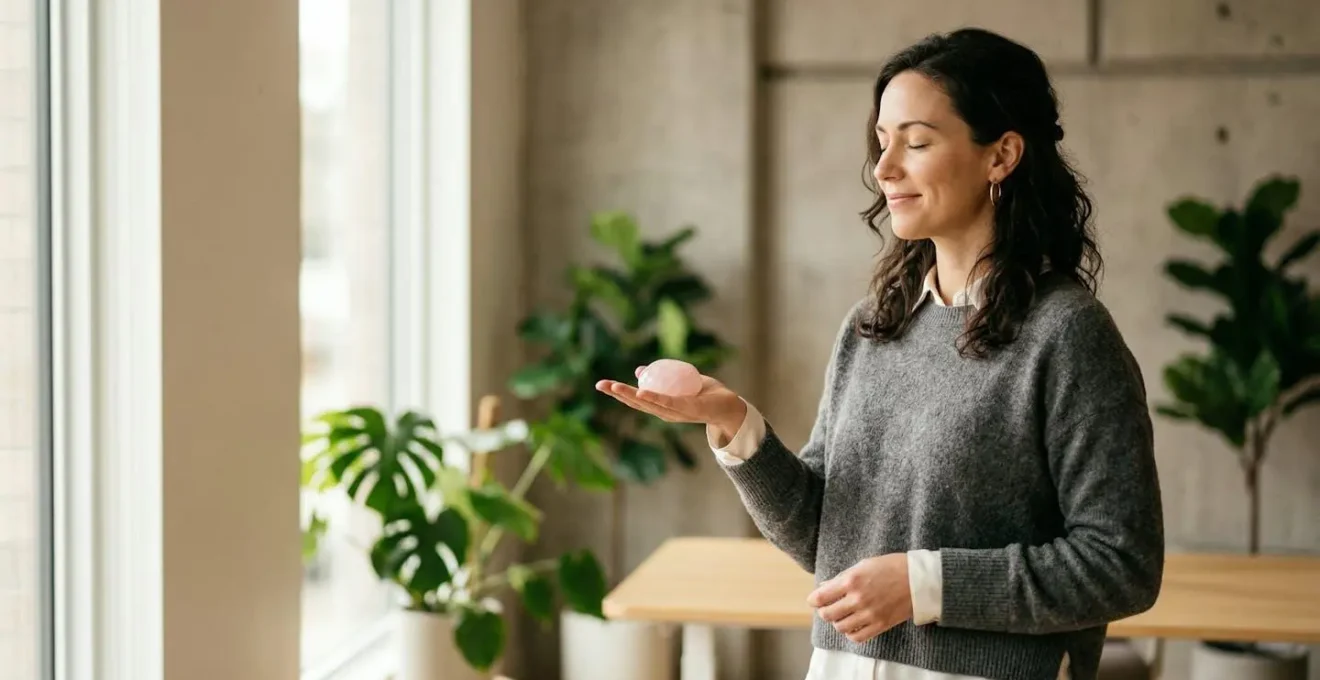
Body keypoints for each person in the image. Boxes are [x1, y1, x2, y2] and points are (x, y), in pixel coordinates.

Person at [596, 27, 1163, 680]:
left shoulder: (1067, 334)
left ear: (1001, 155)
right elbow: (826, 539)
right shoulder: (874, 327)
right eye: (883, 141)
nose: (885, 168)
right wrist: (734, 425)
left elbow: (1122, 563)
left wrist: (925, 583)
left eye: (916, 142)